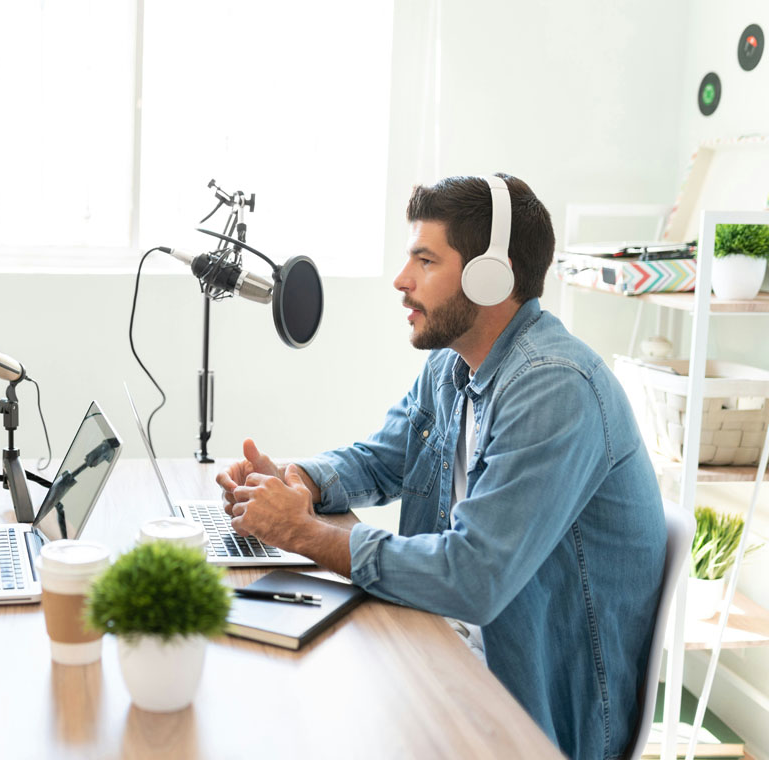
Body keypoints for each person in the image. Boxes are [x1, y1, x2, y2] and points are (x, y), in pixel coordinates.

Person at [218, 174, 666, 760]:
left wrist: (301, 531)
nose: (402, 281)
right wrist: (298, 481)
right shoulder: (451, 368)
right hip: (448, 647)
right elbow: (379, 460)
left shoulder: (554, 387)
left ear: (491, 276)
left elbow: (472, 578)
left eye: (425, 260)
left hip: (531, 714)